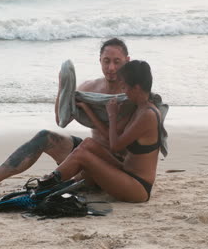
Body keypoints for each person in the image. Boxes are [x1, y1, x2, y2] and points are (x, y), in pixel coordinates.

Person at [0, 38, 131, 194]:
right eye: (106, 61)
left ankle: (79, 181)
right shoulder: (89, 87)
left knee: (81, 169)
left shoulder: (132, 93)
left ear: (127, 61)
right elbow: (61, 120)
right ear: (99, 60)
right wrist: (62, 88)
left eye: (117, 62)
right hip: (89, 151)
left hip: (114, 164)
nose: (111, 68)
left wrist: (88, 110)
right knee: (46, 136)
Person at [39, 60, 161, 202]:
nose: (122, 89)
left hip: (137, 186)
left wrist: (112, 115)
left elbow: (115, 146)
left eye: (125, 86)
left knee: (81, 155)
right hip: (125, 172)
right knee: (88, 143)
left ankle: (46, 186)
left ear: (137, 88)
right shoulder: (139, 107)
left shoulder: (148, 115)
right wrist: (87, 109)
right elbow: (109, 137)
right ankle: (54, 182)